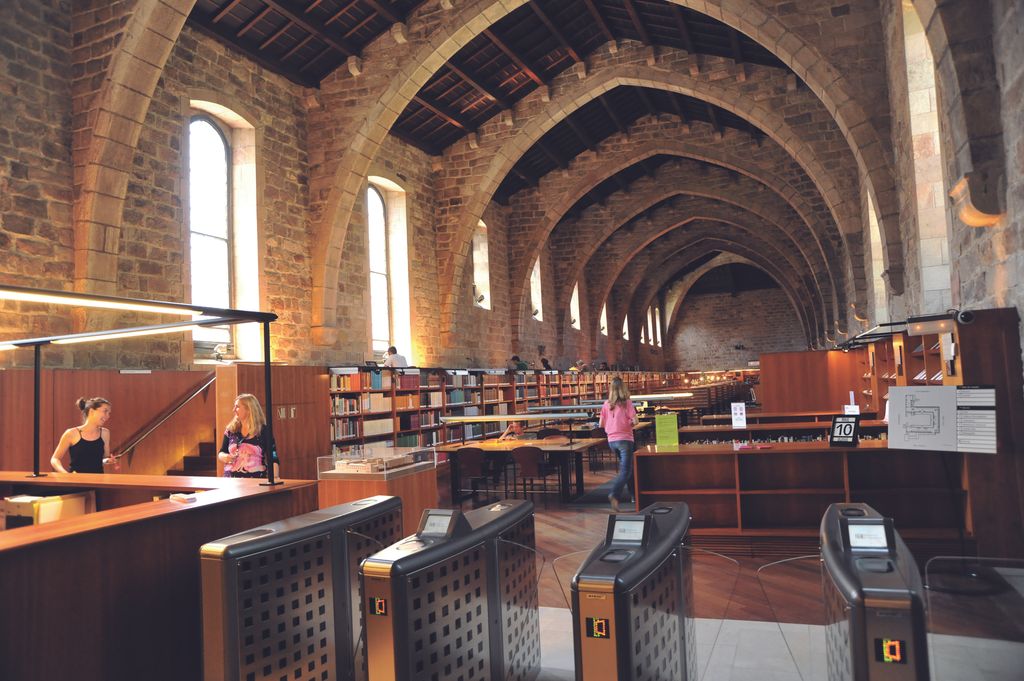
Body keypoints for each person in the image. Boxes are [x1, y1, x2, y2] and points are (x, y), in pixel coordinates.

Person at [217, 394, 280, 479]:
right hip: (231, 482)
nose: (233, 410)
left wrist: (275, 477)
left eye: (237, 407)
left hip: (255, 482)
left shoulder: (264, 431)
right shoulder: (231, 430)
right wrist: (225, 457)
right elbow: (221, 452)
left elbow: (273, 458)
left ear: (249, 409)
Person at [599, 377, 638, 512]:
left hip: (612, 441)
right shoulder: (627, 403)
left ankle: (634, 495)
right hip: (625, 440)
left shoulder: (606, 404)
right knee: (626, 471)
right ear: (623, 388)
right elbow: (635, 421)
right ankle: (614, 494)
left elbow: (601, 424)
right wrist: (628, 424)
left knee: (629, 468)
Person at [51, 397, 118, 473]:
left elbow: (102, 459)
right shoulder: (71, 433)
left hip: (99, 481)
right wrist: (65, 474)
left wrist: (108, 460)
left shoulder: (105, 433)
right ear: (92, 411)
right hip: (76, 481)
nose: (108, 416)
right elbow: (55, 459)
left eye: (109, 413)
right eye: (105, 411)